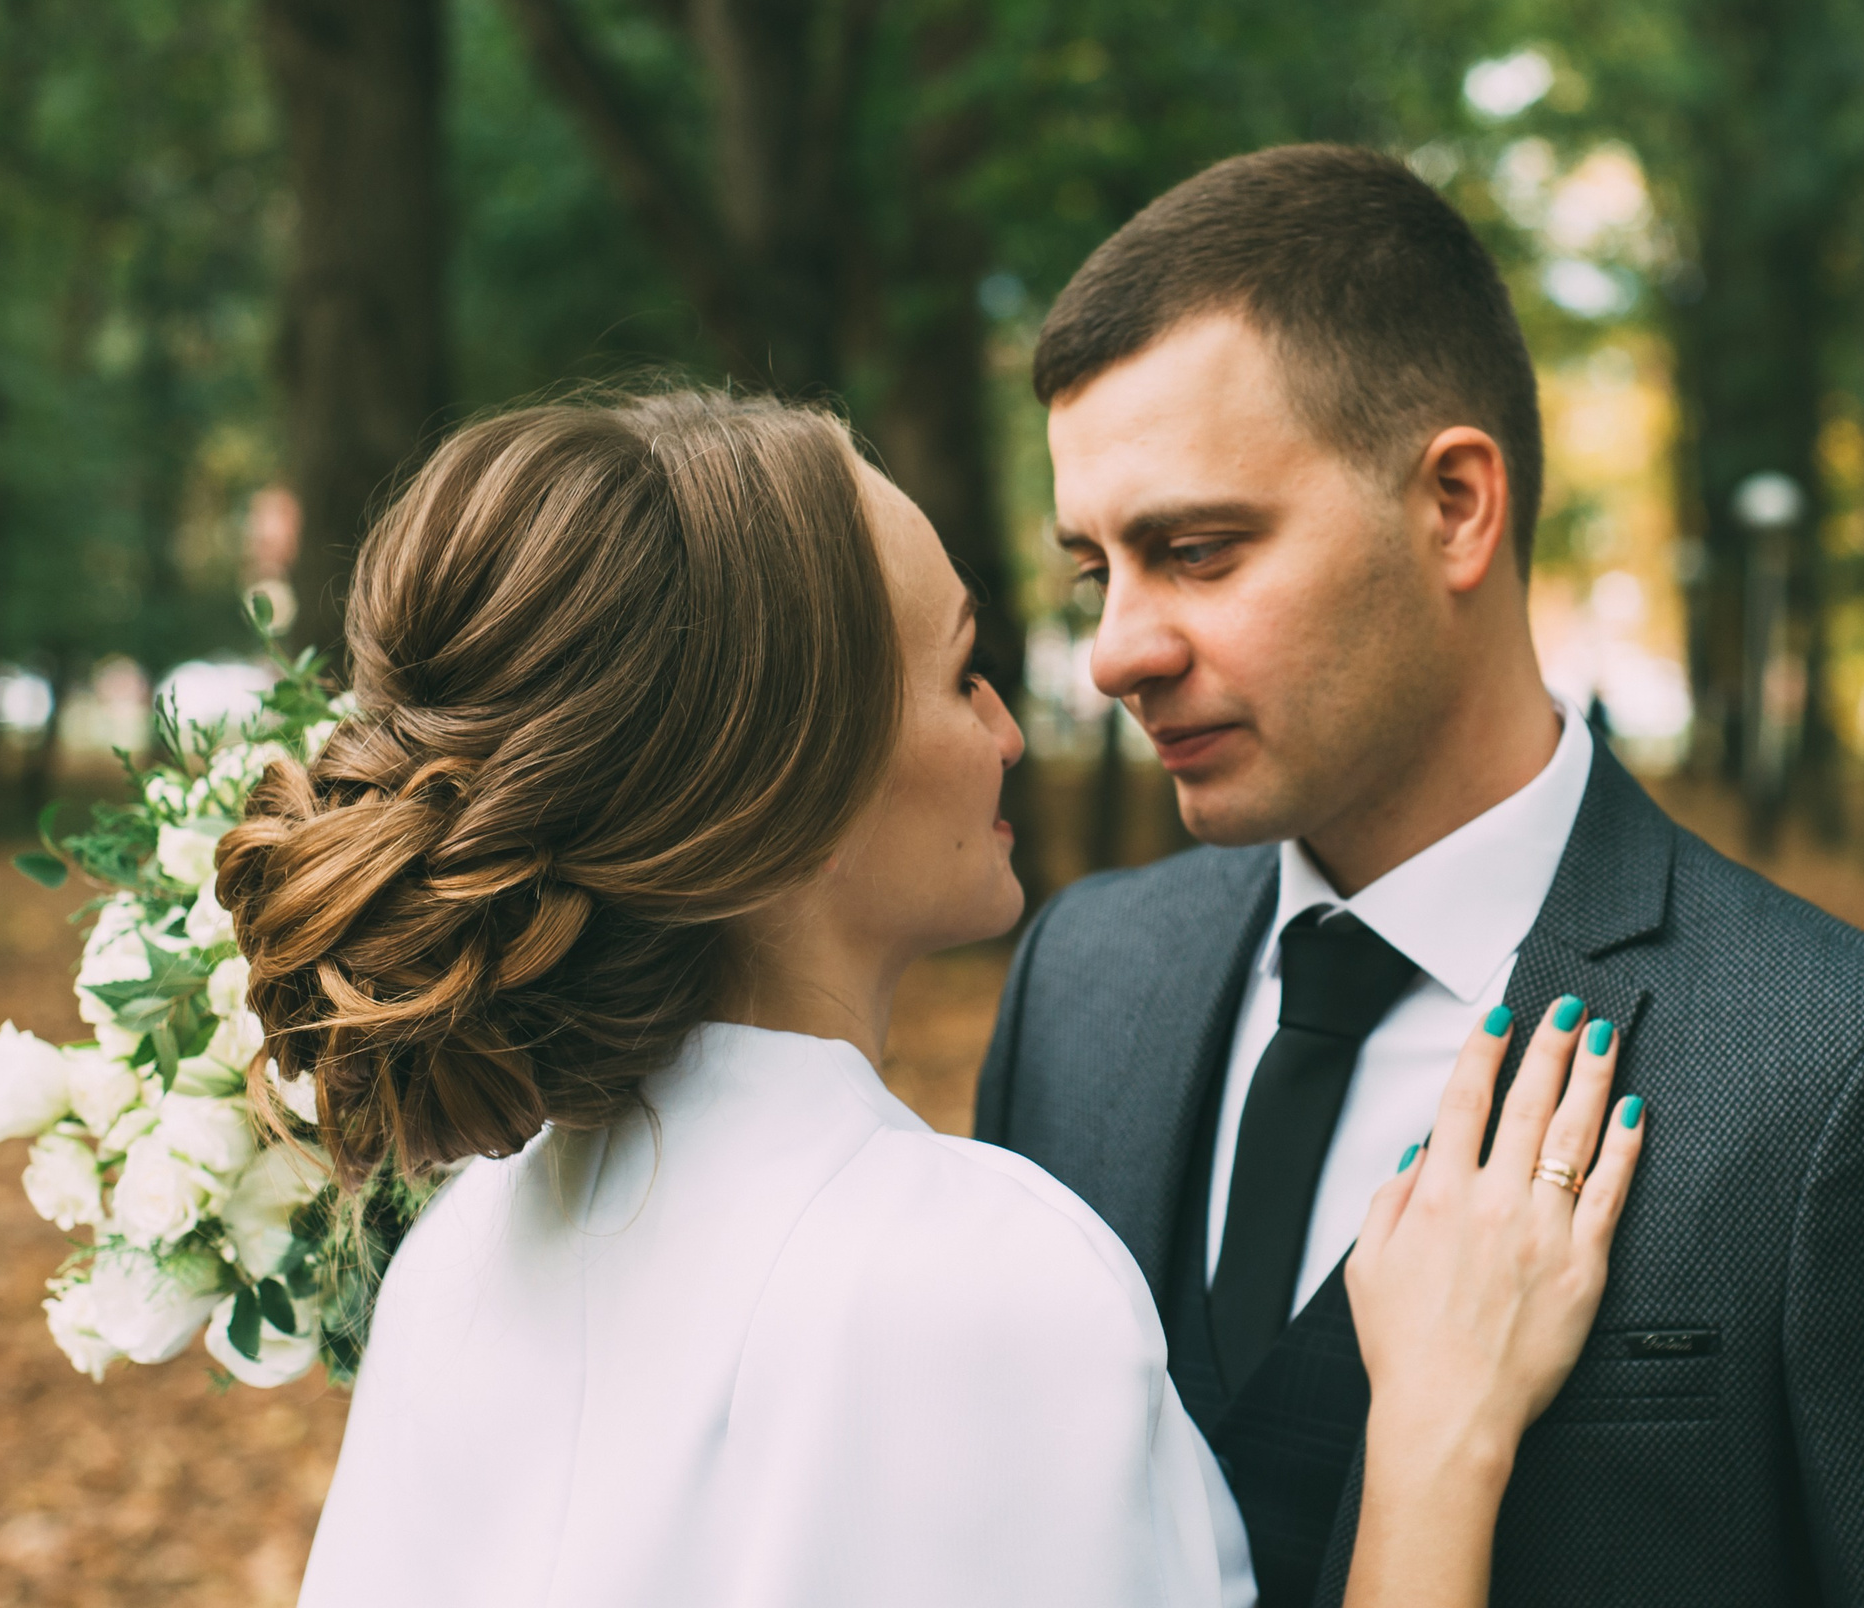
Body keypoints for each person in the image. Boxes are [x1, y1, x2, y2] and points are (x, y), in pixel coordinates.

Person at [214, 389, 1649, 1608]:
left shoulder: (468, 1253)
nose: (1014, 733)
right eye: (964, 674)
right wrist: (1437, 1446)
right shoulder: (971, 1278)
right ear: (796, 784)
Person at [977, 145, 1864, 1607]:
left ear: (1457, 504)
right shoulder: (1081, 985)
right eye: (1098, 572)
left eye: (1197, 552)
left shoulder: (1850, 1083)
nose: (1118, 651)